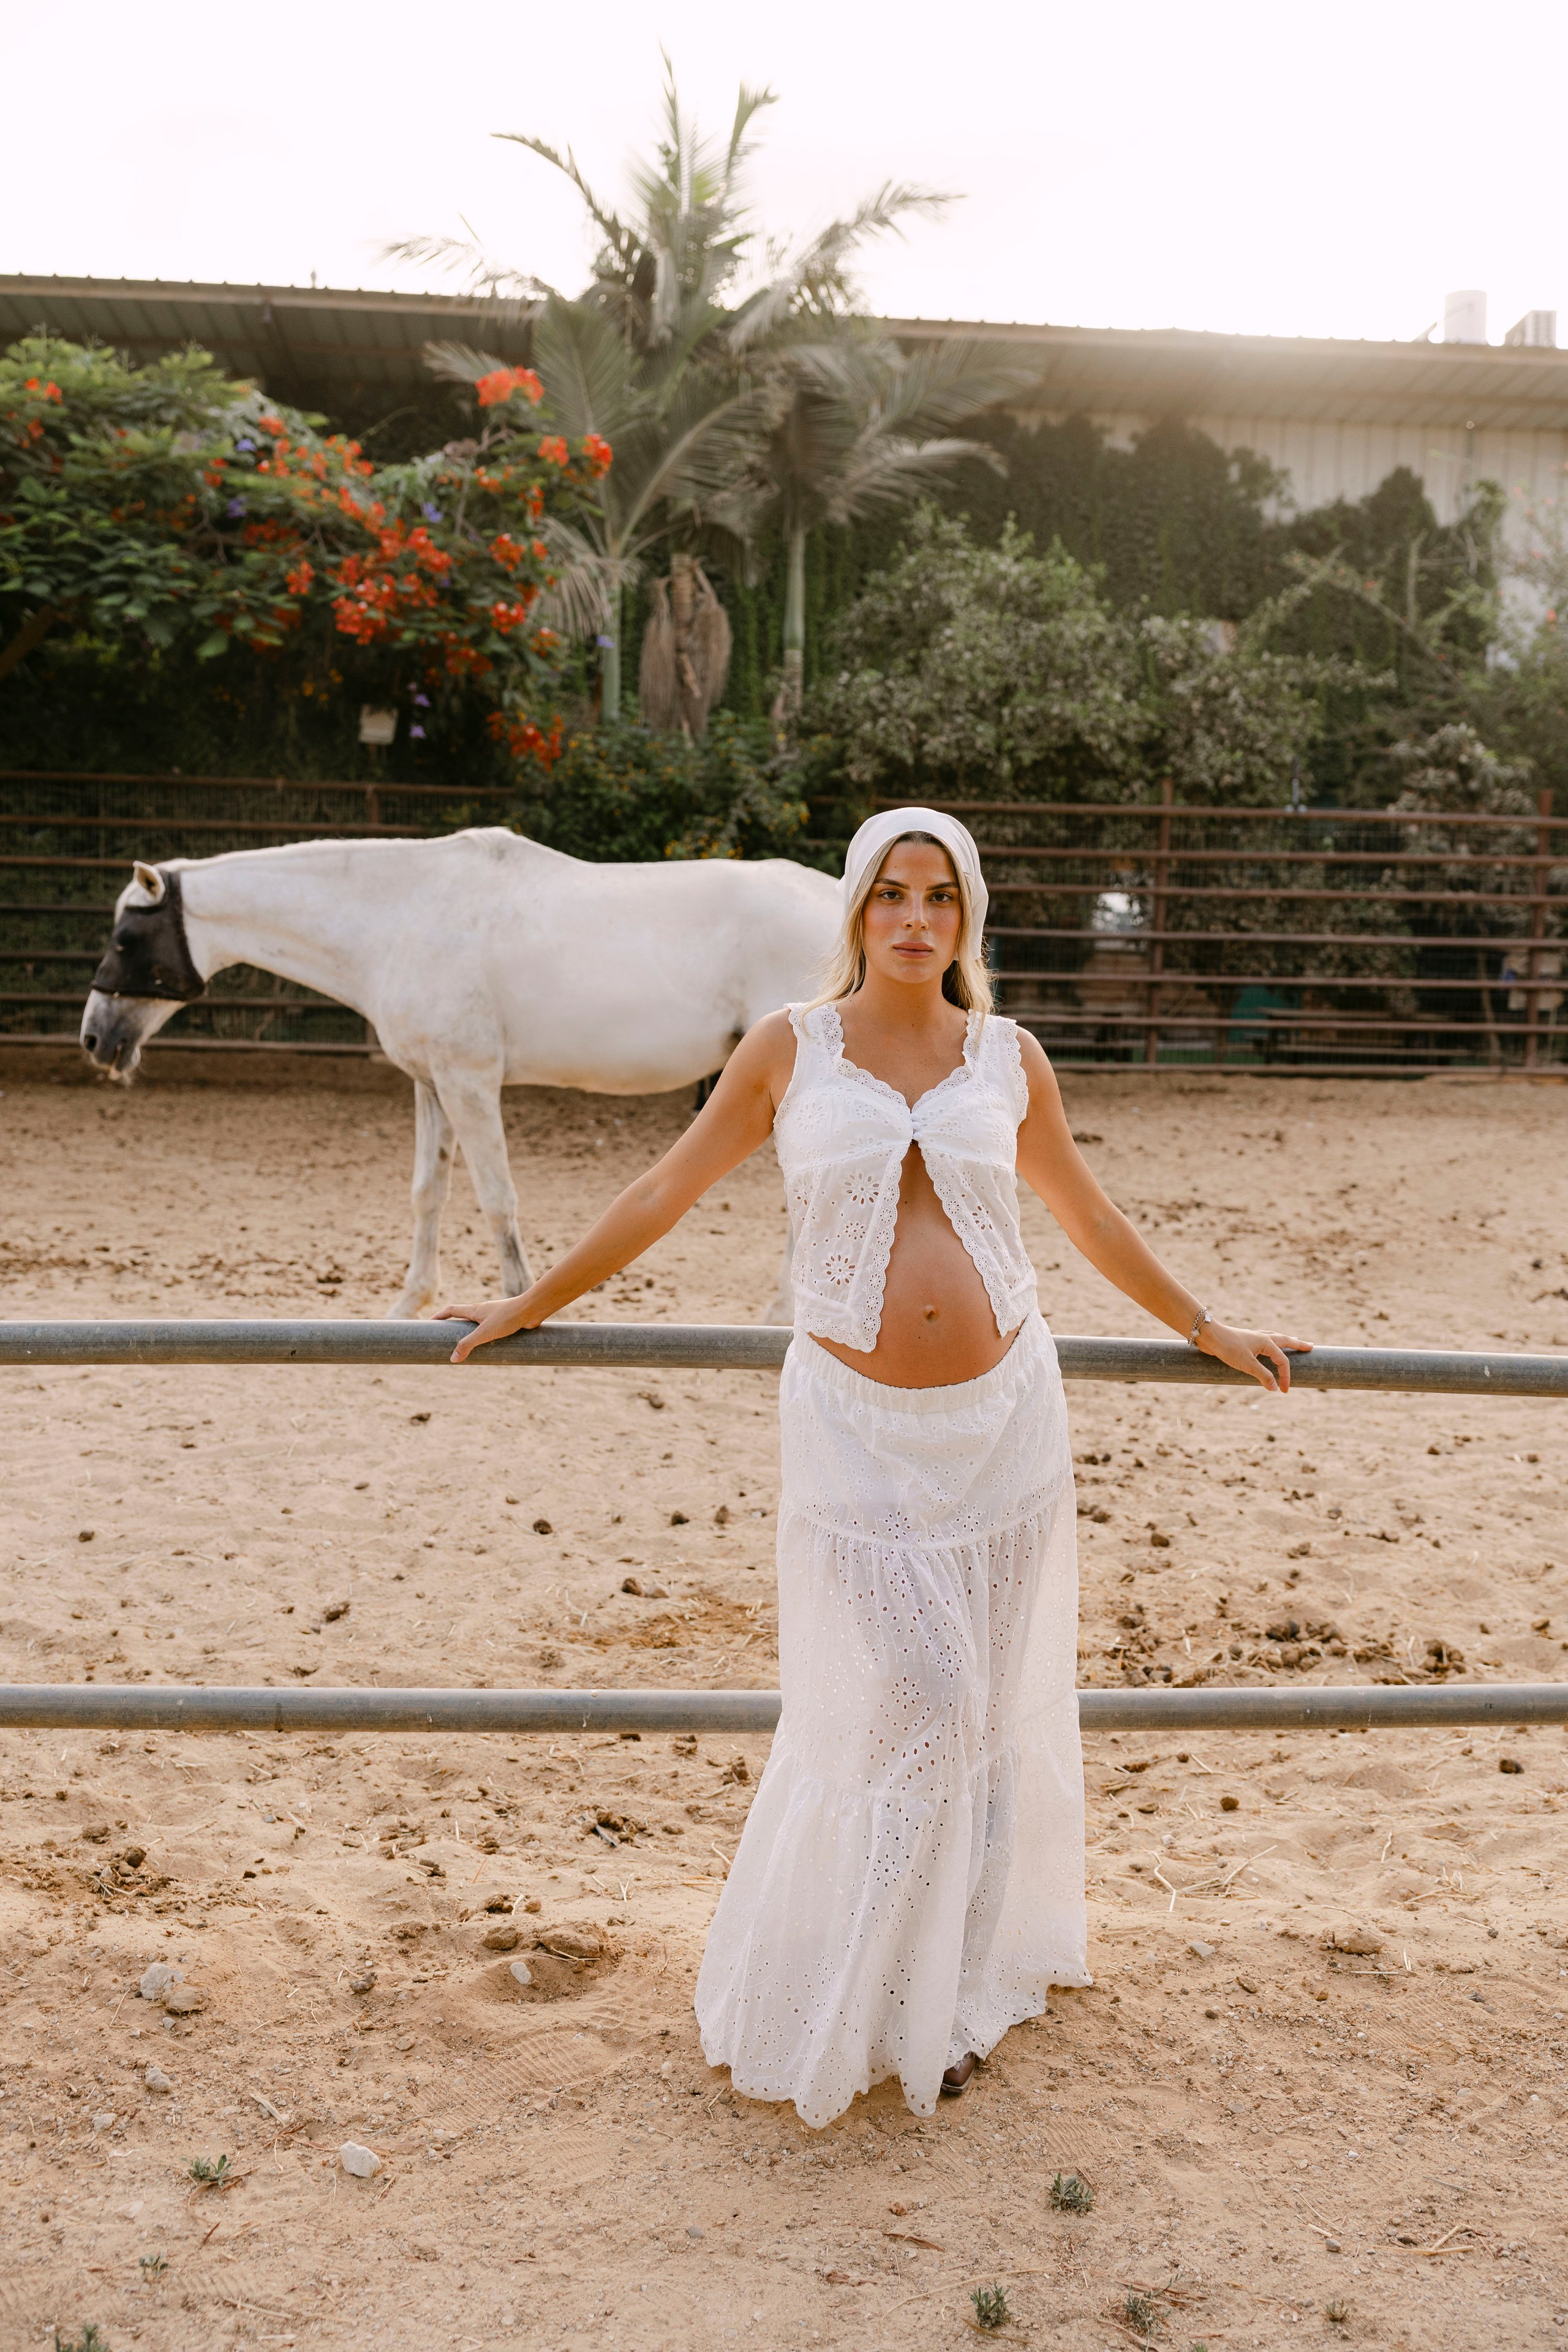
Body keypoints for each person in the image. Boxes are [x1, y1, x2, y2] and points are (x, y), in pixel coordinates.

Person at [439, 805, 1308, 2130]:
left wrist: (1207, 1328)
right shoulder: (789, 1048)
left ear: (965, 916)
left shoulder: (1007, 1055)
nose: (914, 919)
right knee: (912, 1691)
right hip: (852, 1427)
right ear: (855, 912)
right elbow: (662, 1191)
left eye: (938, 897)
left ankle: (947, 2000)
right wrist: (525, 1301)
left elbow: (1081, 1211)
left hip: (1004, 1422)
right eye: (890, 895)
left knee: (978, 1715)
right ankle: (852, 1982)